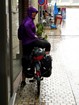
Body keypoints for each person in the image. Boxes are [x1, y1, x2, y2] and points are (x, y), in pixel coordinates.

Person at [18, 6, 51, 87]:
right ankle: (45, 59)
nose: (34, 14)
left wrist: (35, 36)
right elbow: (26, 27)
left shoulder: (27, 19)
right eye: (33, 13)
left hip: (26, 44)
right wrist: (33, 36)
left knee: (27, 59)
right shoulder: (28, 21)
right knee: (47, 44)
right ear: (30, 12)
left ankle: (24, 80)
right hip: (31, 42)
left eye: (35, 13)